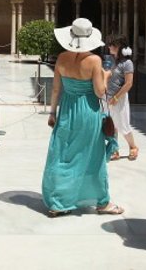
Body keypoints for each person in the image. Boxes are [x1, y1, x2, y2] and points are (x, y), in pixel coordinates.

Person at [42, 18, 123, 217]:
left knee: (64, 154)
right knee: (92, 156)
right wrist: (105, 76)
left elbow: (56, 90)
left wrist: (52, 113)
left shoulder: (61, 58)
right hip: (88, 112)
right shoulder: (94, 61)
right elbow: (99, 91)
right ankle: (102, 202)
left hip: (67, 110)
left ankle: (58, 201)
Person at [106, 34, 137, 161]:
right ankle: (115, 150)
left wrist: (117, 97)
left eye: (111, 45)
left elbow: (128, 83)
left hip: (120, 98)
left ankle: (133, 147)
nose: (109, 47)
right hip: (110, 97)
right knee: (113, 126)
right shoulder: (115, 61)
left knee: (123, 125)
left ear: (118, 47)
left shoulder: (127, 63)